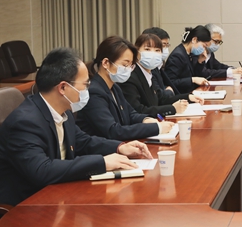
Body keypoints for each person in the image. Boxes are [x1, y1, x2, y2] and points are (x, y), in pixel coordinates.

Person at [0, 48, 151, 206]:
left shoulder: (64, 111)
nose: (87, 90)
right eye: (85, 84)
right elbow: (42, 170)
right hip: (28, 205)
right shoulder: (24, 122)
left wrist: (119, 147)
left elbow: (83, 141)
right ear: (63, 88)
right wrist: (102, 162)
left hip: (59, 193)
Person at [76, 36, 174, 141]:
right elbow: (113, 131)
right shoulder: (94, 92)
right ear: (106, 63)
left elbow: (131, 114)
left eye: (130, 65)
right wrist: (156, 128)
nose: (128, 70)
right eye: (125, 64)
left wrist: (146, 119)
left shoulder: (115, 87)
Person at [119, 33, 204, 118]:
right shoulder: (130, 76)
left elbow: (161, 99)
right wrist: (173, 109)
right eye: (147, 49)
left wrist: (188, 97)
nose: (152, 54)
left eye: (157, 50)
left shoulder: (149, 73)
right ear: (137, 52)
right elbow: (138, 110)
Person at [165, 25, 213, 93]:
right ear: (194, 40)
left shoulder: (190, 53)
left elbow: (196, 74)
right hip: (180, 95)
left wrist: (200, 62)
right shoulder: (177, 55)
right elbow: (171, 81)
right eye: (204, 46)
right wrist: (192, 80)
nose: (204, 49)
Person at [142, 27, 177, 96]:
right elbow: (158, 94)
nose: (165, 49)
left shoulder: (159, 64)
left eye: (167, 45)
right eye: (163, 45)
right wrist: (169, 91)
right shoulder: (148, 65)